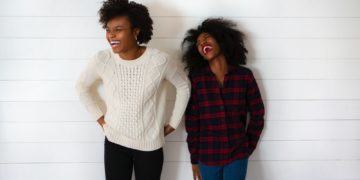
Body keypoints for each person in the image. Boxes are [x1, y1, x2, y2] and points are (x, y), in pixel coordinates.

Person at [76, 0, 190, 179]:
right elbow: (82, 87)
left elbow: (184, 86)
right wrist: (101, 120)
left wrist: (174, 122)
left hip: (149, 146)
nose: (111, 35)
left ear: (136, 31)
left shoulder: (160, 61)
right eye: (108, 29)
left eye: (118, 29)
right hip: (114, 142)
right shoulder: (102, 59)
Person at [182, 18, 265, 180]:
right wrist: (194, 158)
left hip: (238, 154)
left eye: (206, 37)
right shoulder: (196, 79)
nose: (202, 43)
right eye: (198, 43)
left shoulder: (244, 76)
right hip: (207, 156)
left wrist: (247, 147)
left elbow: (257, 114)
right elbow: (192, 123)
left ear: (221, 39)